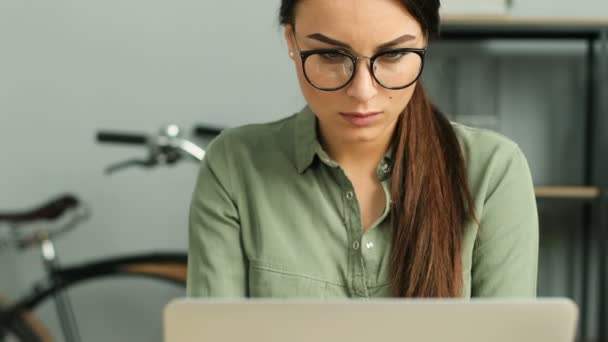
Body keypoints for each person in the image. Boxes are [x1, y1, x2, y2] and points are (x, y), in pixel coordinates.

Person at [187, 0, 538, 298]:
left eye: (393, 54)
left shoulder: (493, 172)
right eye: (329, 55)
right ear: (291, 42)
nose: (362, 91)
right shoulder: (233, 167)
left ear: (425, 42)